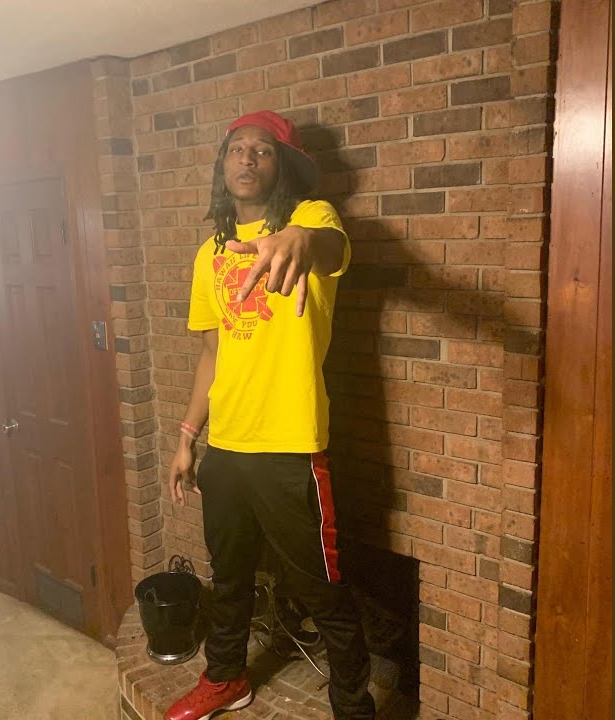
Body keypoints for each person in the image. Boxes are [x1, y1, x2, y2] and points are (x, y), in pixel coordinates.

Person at [163, 110, 377, 720]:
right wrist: (187, 438)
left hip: (289, 444)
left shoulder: (312, 219)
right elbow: (213, 353)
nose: (248, 158)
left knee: (320, 587)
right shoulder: (209, 253)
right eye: (237, 149)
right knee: (229, 575)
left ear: (282, 166)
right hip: (227, 445)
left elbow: (330, 249)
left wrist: (299, 240)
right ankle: (226, 678)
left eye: (263, 150)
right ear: (223, 165)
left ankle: (352, 705)